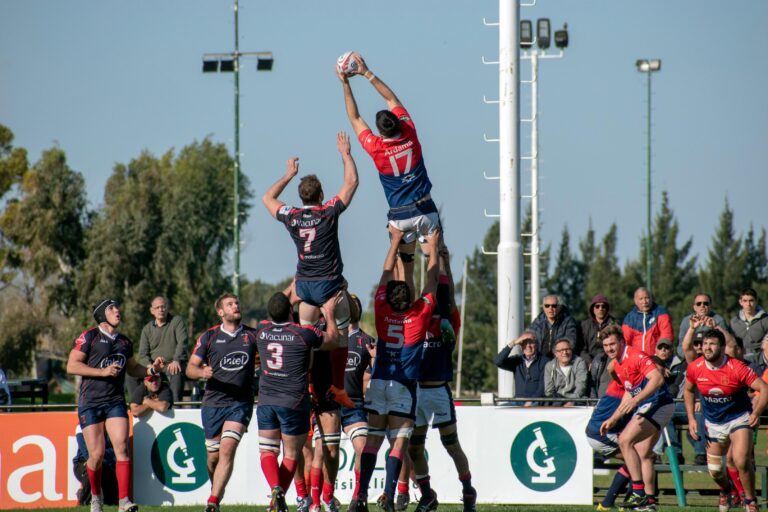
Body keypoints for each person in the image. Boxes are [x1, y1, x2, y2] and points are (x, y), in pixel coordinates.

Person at [263, 132, 359, 408]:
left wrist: (288, 175)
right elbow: (352, 182)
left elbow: (267, 198)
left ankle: (303, 385)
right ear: (321, 195)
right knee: (341, 338)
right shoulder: (327, 212)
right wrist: (345, 153)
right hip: (329, 287)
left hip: (304, 287)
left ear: (301, 197)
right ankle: (339, 388)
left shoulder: (292, 216)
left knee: (305, 338)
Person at [357, 226, 441, 512]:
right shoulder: (418, 316)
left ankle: (359, 497)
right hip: (403, 386)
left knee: (371, 443)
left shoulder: (381, 311)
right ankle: (390, 498)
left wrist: (394, 243)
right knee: (398, 444)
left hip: (379, 382)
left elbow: (384, 273)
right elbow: (432, 283)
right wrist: (431, 250)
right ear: (410, 299)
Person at [66, 298, 164, 512]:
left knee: (121, 448)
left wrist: (151, 370)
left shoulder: (125, 342)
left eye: (118, 307)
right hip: (90, 403)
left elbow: (132, 368)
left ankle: (124, 502)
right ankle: (95, 497)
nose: (117, 310)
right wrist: (102, 372)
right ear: (102, 315)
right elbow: (72, 366)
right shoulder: (89, 336)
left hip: (115, 402)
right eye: (111, 308)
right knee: (97, 455)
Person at [339, 53, 441, 255]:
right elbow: (390, 98)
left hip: (400, 215)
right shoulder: (410, 132)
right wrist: (366, 72)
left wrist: (345, 84)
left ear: (379, 132)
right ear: (399, 122)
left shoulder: (376, 148)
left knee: (406, 271)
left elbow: (355, 118)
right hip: (425, 208)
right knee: (437, 265)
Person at [255, 292, 341, 512]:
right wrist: (329, 313)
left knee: (267, 452)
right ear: (291, 312)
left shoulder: (261, 330)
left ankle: (276, 490)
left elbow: (277, 309)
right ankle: (278, 495)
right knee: (291, 454)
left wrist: (289, 294)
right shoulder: (304, 333)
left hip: (266, 401)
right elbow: (333, 340)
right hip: (293, 401)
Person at [409, 247, 477, 512]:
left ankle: (468, 490)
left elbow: (449, 293)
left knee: (451, 445)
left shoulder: (450, 320)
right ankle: (427, 495)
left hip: (438, 391)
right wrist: (429, 261)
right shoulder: (417, 319)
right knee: (415, 449)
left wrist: (445, 263)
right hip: (418, 392)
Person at [186, 293, 260, 512]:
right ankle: (215, 487)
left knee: (228, 448)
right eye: (230, 304)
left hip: (240, 403)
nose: (236, 306)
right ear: (221, 312)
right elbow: (190, 368)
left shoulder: (252, 336)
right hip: (212, 404)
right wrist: (201, 372)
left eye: (237, 303)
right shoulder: (208, 337)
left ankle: (213, 502)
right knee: (213, 457)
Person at [684, 329, 768, 512]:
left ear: (722, 348)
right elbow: (688, 390)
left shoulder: (736, 367)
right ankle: (726, 490)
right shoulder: (695, 368)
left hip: (739, 418)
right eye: (705, 344)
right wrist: (691, 417)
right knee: (715, 470)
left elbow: (764, 388)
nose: (707, 347)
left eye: (712, 344)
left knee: (741, 461)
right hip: (713, 422)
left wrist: (757, 413)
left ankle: (750, 502)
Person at [599, 325, 673, 512]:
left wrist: (637, 400)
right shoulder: (618, 363)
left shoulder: (636, 356)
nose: (609, 348)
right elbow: (629, 392)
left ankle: (638, 494)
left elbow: (657, 379)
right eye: (605, 345)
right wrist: (614, 418)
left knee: (625, 440)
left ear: (622, 342)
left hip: (660, 403)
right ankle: (648, 502)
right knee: (642, 453)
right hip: (650, 405)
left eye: (612, 344)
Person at [343, 294, 376, 512]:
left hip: (354, 404)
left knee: (362, 448)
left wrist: (376, 359)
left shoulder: (366, 340)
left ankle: (358, 497)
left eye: (353, 303)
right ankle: (317, 500)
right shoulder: (329, 336)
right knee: (322, 453)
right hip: (328, 405)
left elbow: (377, 373)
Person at [586, 379, 631, 511]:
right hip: (601, 434)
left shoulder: (618, 382)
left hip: (597, 432)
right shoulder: (628, 387)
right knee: (638, 460)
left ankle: (609, 503)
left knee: (637, 460)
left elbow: (612, 367)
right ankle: (626, 504)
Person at [136, 296, 189, 403]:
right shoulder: (147, 329)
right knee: (131, 375)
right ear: (152, 311)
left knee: (176, 371)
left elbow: (182, 342)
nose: (161, 310)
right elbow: (142, 354)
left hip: (172, 364)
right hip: (154, 366)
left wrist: (176, 360)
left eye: (163, 307)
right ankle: (136, 406)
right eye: (157, 307)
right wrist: (150, 366)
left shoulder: (177, 321)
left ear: (167, 308)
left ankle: (174, 408)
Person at [494, 332, 549, 405]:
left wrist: (531, 401)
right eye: (525, 343)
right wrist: (513, 343)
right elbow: (498, 361)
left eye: (531, 342)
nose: (528, 346)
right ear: (520, 346)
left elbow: (543, 387)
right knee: (500, 410)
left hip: (537, 401)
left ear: (537, 344)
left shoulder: (545, 361)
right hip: (517, 401)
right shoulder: (517, 361)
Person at [622, 287, 674, 357]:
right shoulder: (629, 318)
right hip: (637, 360)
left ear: (651, 299)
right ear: (635, 301)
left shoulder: (661, 312)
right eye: (641, 299)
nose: (645, 301)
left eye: (647, 298)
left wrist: (659, 354)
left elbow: (666, 334)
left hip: (658, 359)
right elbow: (625, 341)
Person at [73, 427, 118, 506]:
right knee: (90, 470)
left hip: (106, 465)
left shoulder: (112, 423)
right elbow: (86, 452)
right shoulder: (82, 425)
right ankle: (83, 501)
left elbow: (116, 451)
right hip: (82, 462)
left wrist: (100, 456)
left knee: (111, 500)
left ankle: (85, 493)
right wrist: (97, 457)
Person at [677, 293, 728, 359]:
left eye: (706, 303)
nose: (702, 306)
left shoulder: (719, 321)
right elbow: (681, 346)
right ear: (694, 307)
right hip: (691, 359)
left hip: (713, 358)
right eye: (699, 304)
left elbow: (726, 344)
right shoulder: (686, 321)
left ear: (710, 306)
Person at [544, 338, 588, 405]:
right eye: (561, 350)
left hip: (576, 400)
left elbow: (581, 387)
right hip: (557, 401)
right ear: (556, 353)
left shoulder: (579, 362)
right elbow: (549, 391)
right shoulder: (549, 366)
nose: (565, 352)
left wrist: (572, 402)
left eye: (567, 349)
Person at [730, 288, 768, 360]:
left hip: (762, 361)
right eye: (745, 301)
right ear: (740, 302)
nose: (748, 304)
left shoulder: (765, 319)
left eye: (751, 300)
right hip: (740, 361)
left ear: (756, 301)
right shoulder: (734, 321)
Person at [580, 294, 618, 363]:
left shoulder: (614, 324)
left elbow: (618, 346)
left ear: (607, 309)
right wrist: (588, 361)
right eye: (597, 306)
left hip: (609, 360)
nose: (600, 308)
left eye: (603, 306)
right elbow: (581, 348)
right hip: (589, 361)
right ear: (593, 309)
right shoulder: (585, 325)